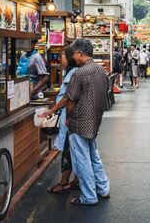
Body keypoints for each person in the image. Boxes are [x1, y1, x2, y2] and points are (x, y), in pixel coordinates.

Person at [60, 39, 110, 206]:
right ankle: (103, 188)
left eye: (74, 54)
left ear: (80, 54)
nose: (73, 57)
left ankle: (89, 196)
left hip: (79, 121)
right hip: (94, 120)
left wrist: (67, 118)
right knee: (93, 156)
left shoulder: (79, 73)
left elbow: (70, 100)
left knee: (82, 160)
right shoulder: (101, 71)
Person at [45, 46, 79, 193]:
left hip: (69, 117)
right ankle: (77, 179)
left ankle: (64, 182)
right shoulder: (71, 72)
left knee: (68, 149)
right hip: (70, 116)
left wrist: (52, 110)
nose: (61, 59)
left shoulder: (73, 73)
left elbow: (68, 98)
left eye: (63, 56)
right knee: (74, 149)